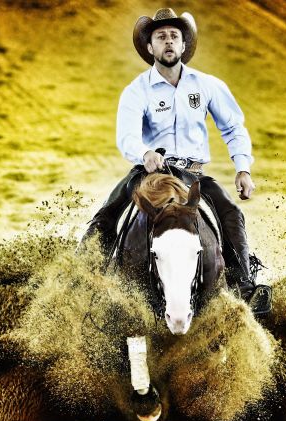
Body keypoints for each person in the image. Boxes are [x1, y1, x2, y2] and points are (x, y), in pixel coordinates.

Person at [83, 8, 270, 308]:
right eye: (161, 37)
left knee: (232, 214)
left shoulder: (207, 85)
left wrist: (243, 168)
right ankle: (84, 285)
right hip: (149, 174)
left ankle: (244, 288)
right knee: (105, 217)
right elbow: (126, 136)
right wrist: (144, 153)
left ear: (183, 45)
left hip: (193, 174)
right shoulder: (136, 91)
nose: (168, 42)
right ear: (149, 47)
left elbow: (233, 126)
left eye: (174, 36)